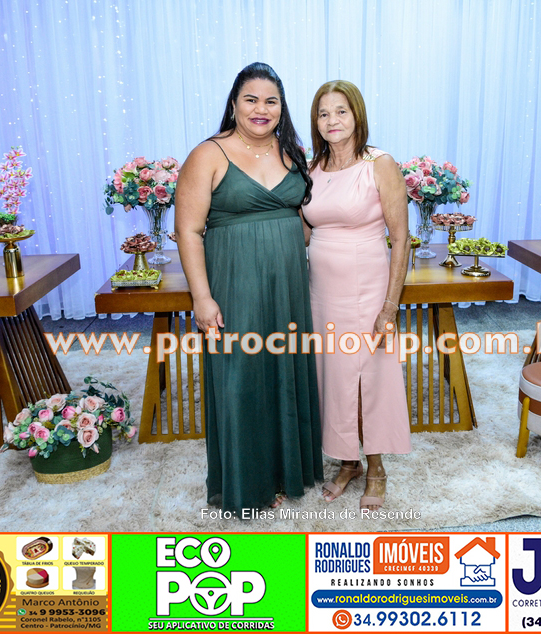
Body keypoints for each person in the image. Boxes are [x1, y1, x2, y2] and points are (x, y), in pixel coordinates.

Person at [174, 62, 323, 515]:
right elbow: (188, 231)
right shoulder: (209, 154)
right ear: (234, 104)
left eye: (271, 101)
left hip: (288, 283)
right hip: (234, 281)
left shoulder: (291, 151)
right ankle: (247, 482)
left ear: (282, 107)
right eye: (251, 99)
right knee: (241, 379)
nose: (262, 109)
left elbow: (303, 218)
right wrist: (202, 297)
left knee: (284, 373)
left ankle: (284, 472)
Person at [302, 80, 411, 512]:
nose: (332, 120)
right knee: (332, 376)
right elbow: (304, 232)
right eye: (323, 113)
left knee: (370, 377)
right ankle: (348, 462)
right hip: (321, 292)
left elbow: (400, 240)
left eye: (341, 111)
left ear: (357, 115)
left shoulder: (379, 164)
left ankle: (377, 467)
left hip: (367, 291)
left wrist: (390, 307)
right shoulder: (311, 169)